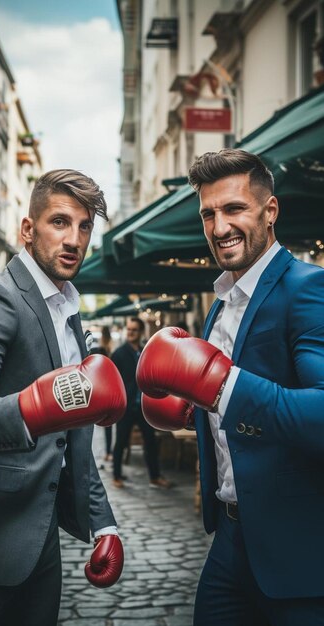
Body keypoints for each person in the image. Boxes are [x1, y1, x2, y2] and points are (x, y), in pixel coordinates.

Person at [136, 149, 324, 626]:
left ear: (270, 210)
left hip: (297, 547)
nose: (220, 227)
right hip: (230, 536)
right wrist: (187, 407)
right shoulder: (220, 305)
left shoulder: (308, 288)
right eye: (208, 213)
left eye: (234, 209)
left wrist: (219, 386)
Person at [0, 169, 126, 626]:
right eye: (59, 222)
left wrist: (104, 523)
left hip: (42, 546)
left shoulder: (69, 313)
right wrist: (31, 408)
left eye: (84, 226)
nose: (73, 239)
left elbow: (73, 439)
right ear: (27, 229)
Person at [112, 317, 170, 489]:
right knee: (121, 442)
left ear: (141, 332)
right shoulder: (119, 353)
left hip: (145, 407)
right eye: (128, 329)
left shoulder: (146, 350)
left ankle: (155, 476)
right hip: (127, 407)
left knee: (150, 442)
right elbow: (113, 380)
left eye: (134, 330)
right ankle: (116, 476)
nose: (130, 333)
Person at [90, 326, 114, 461]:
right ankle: (108, 452)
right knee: (107, 424)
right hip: (105, 389)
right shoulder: (107, 348)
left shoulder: (100, 348)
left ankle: (105, 452)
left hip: (99, 389)